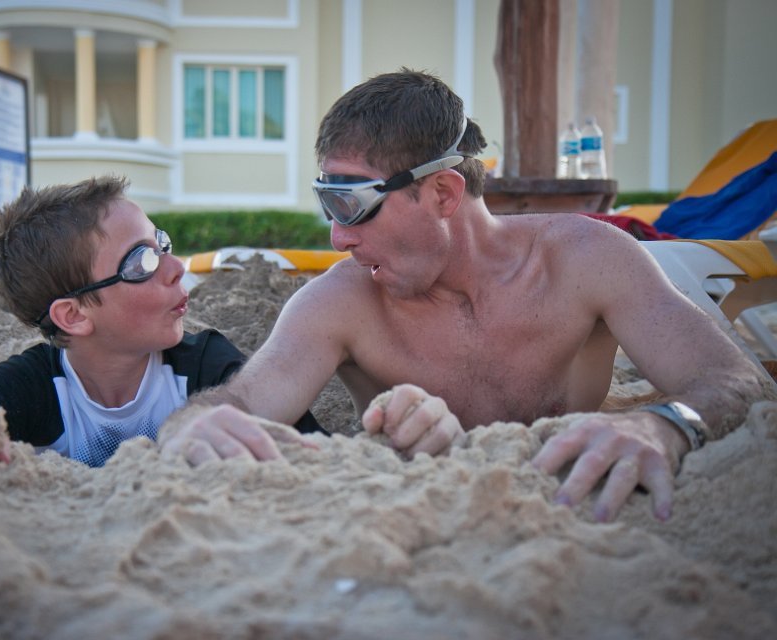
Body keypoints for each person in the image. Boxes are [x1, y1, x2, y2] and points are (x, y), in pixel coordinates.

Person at [159, 69, 777, 522]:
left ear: (444, 194)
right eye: (327, 203)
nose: (337, 237)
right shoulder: (341, 304)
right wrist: (194, 423)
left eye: (352, 205)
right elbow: (241, 401)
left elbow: (734, 380)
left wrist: (664, 426)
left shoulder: (586, 261)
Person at [0, 175, 322, 477]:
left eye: (162, 245)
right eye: (142, 261)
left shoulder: (204, 364)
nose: (175, 269)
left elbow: (314, 448)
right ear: (74, 315)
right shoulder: (38, 386)